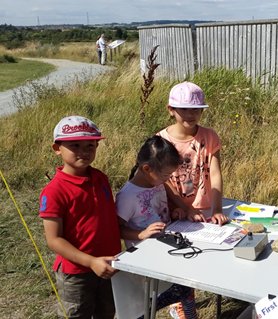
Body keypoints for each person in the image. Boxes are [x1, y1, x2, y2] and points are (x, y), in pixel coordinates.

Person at [38, 115, 121, 318]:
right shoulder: (54, 191)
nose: (84, 151)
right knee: (78, 313)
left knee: (107, 311)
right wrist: (91, 261)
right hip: (76, 273)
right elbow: (54, 240)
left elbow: (110, 220)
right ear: (57, 148)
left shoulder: (101, 178)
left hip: (109, 265)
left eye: (90, 146)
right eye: (75, 145)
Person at [116, 135, 198, 319]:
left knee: (187, 281)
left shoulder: (157, 182)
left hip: (167, 246)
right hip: (147, 259)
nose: (168, 179)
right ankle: (144, 311)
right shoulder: (127, 196)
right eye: (166, 175)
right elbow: (117, 229)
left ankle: (188, 314)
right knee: (179, 288)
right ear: (147, 168)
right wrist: (141, 234)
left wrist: (176, 211)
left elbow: (162, 206)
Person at [157, 81, 228, 226]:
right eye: (184, 109)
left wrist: (218, 210)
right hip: (175, 211)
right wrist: (185, 208)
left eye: (196, 109)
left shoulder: (210, 137)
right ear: (171, 110)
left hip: (206, 208)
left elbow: (215, 174)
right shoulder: (160, 140)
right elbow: (164, 181)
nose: (190, 114)